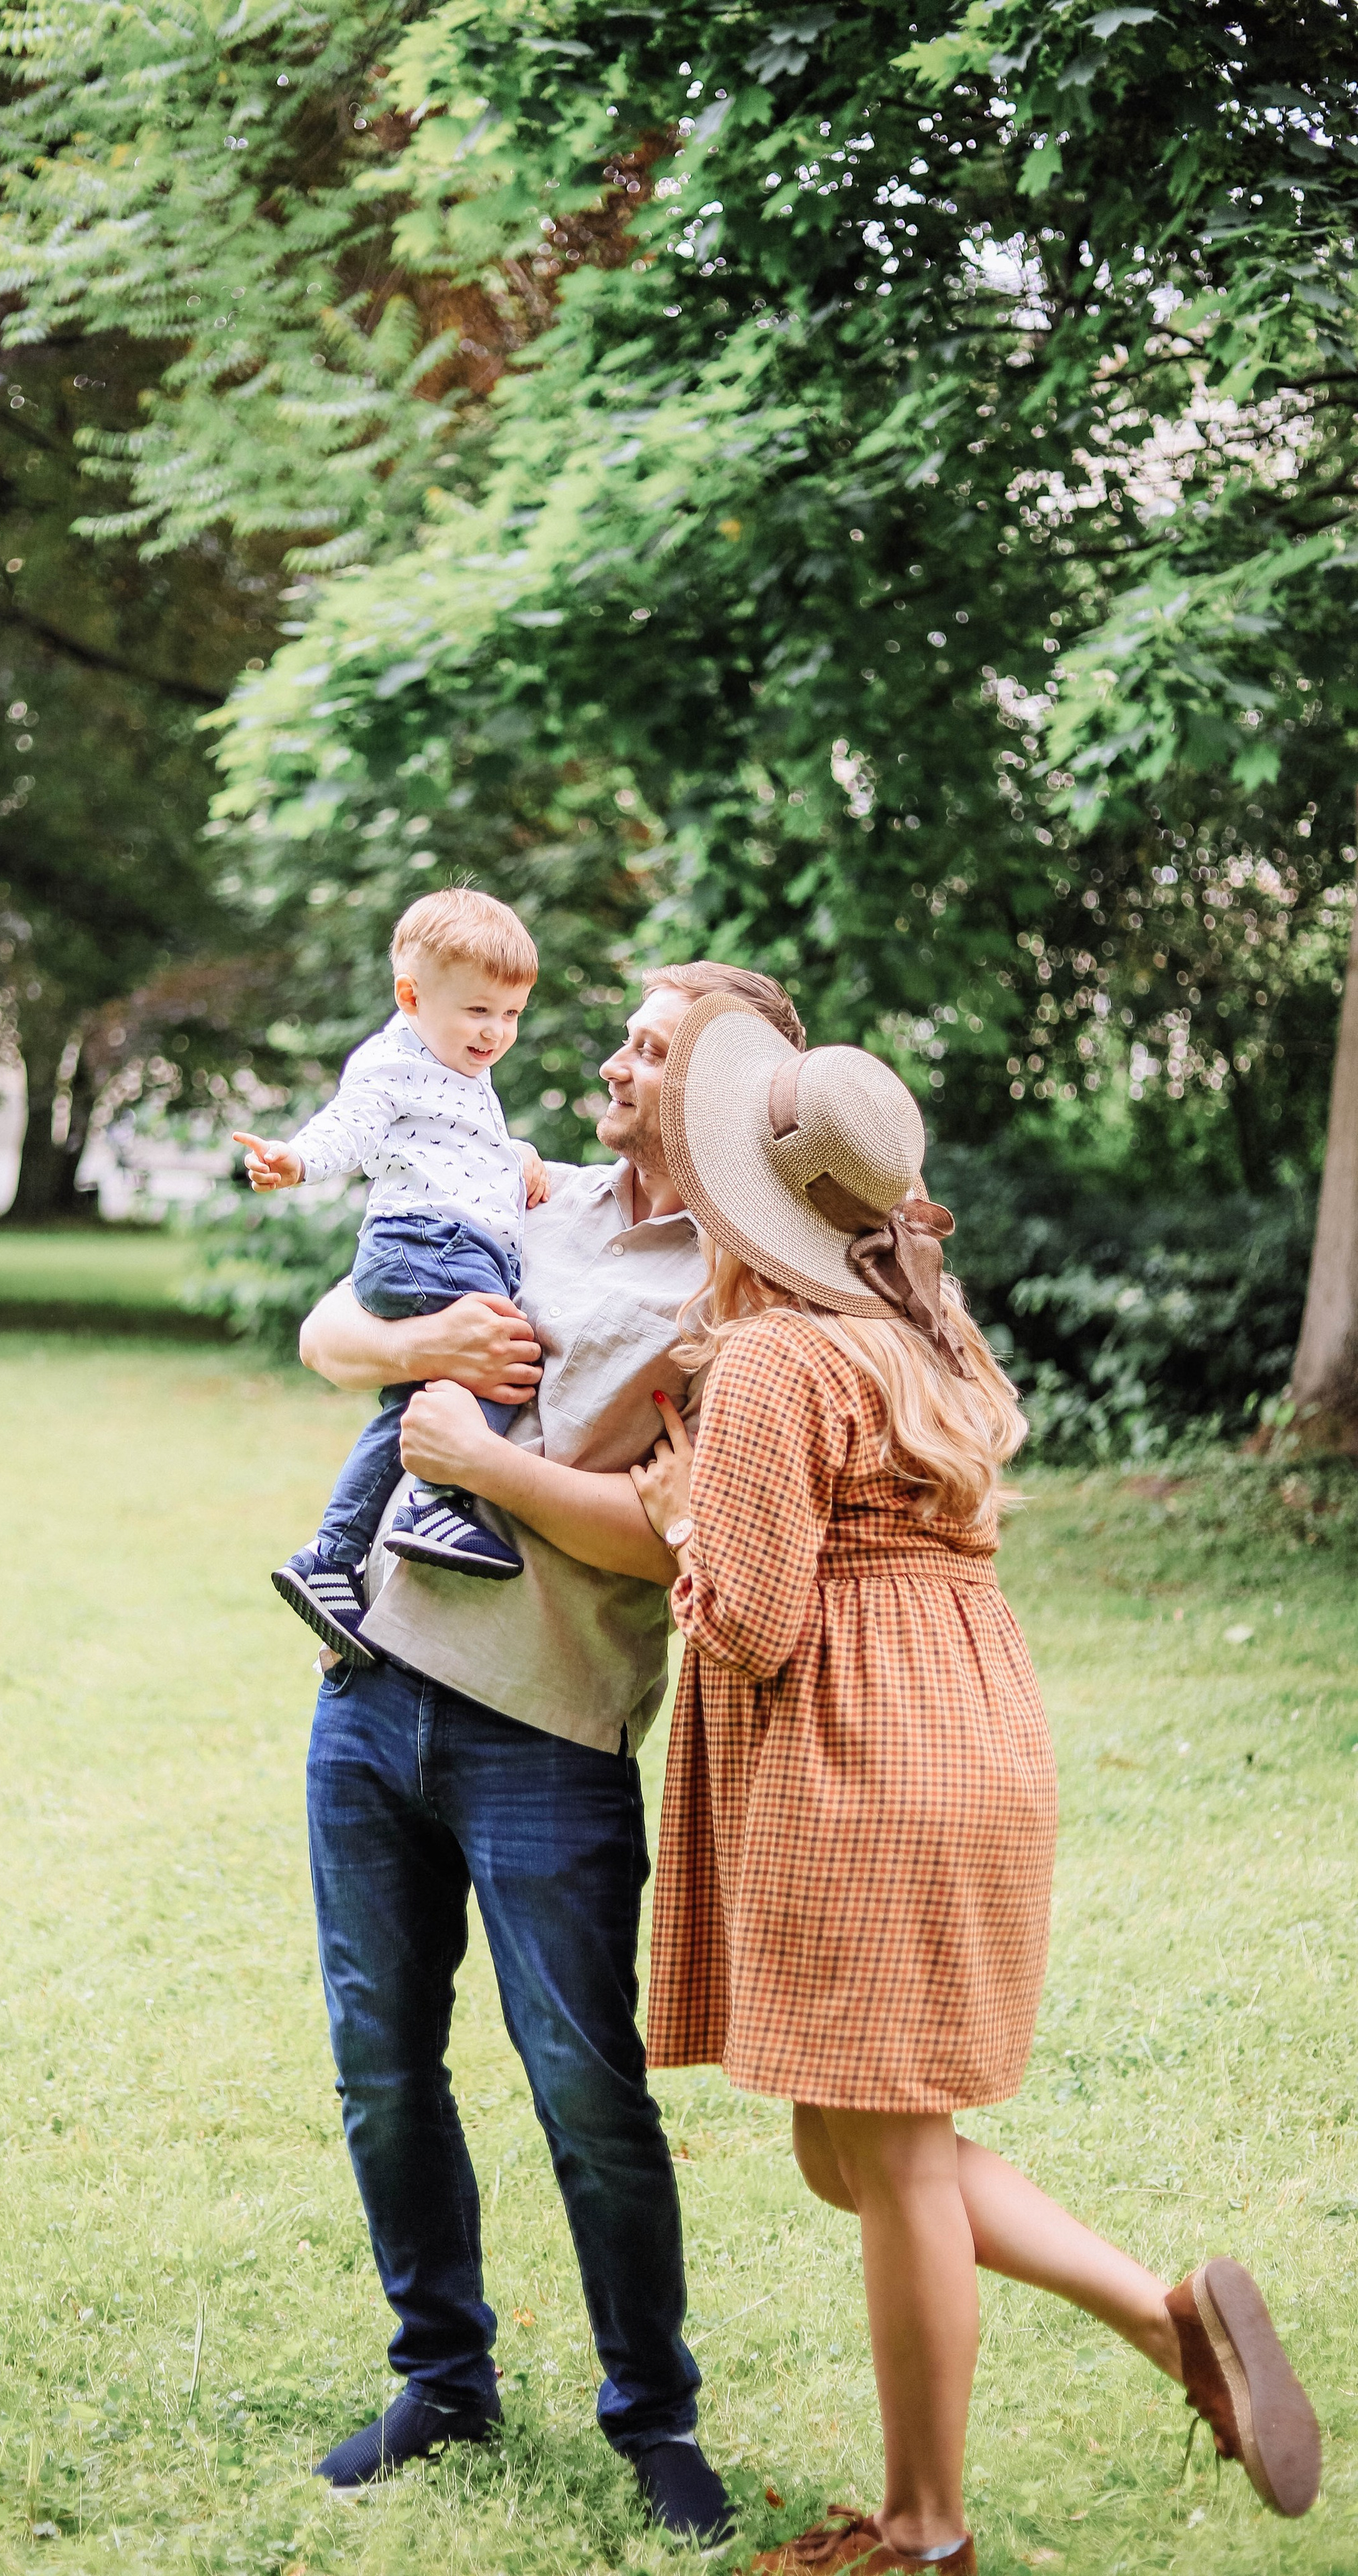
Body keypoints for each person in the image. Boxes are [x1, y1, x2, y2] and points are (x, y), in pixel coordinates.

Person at [626, 994, 1322, 2574]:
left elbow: (752, 1619)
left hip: (859, 1754)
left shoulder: (768, 1362)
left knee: (884, 2160)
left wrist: (678, 1526)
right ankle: (1167, 2324)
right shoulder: (923, 1329)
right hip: (971, 1729)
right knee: (856, 2149)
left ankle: (924, 2529)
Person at [294, 960, 806, 2548]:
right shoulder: (531, 1191)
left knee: (587, 2092)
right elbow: (331, 1326)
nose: (610, 1061)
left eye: (647, 1049)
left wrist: (477, 1466)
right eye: (624, 1034)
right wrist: (411, 1356)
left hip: (548, 1737)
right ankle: (441, 2374)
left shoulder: (740, 1294)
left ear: (711, 1092)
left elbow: (689, 1551)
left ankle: (651, 2417)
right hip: (368, 1686)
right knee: (381, 2070)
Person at [235, 890, 552, 1656]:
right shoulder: (393, 1061)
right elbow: (351, 1126)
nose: (496, 1033)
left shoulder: (458, 1072)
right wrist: (297, 1160)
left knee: (410, 1408)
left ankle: (330, 1558)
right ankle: (430, 1505)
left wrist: (515, 1161)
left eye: (510, 1015)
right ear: (411, 996)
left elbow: (448, 1153)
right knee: (501, 1357)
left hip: (447, 1240)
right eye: (479, 1011)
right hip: (424, 1244)